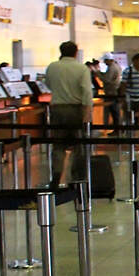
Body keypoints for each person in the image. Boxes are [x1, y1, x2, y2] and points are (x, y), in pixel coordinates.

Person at [45, 41, 92, 186]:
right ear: (76, 53)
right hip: (75, 110)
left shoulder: (52, 67)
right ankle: (77, 178)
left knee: (58, 145)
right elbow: (87, 92)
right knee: (79, 145)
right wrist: (87, 115)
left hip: (57, 109)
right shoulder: (81, 68)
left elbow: (48, 84)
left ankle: (56, 176)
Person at [97, 53, 122, 132]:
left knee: (114, 112)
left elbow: (107, 80)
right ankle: (117, 129)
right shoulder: (116, 66)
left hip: (112, 92)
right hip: (114, 91)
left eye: (105, 61)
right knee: (115, 112)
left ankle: (117, 130)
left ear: (108, 60)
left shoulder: (112, 68)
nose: (104, 63)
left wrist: (97, 73)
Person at [120, 53, 139, 121]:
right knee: (129, 115)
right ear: (134, 61)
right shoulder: (127, 71)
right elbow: (123, 84)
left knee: (137, 116)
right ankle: (129, 130)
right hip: (129, 98)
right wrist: (123, 98)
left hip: (138, 98)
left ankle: (135, 130)